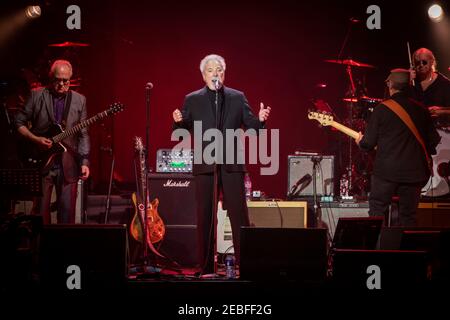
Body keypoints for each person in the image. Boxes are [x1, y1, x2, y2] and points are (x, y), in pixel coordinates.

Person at [172, 54, 271, 274]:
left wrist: (261, 120)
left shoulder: (237, 97)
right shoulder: (193, 99)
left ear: (224, 74)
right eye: (210, 70)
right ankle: (206, 266)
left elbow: (252, 127)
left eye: (219, 69)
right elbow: (180, 132)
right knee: (205, 215)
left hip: (232, 164)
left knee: (239, 215)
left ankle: (245, 265)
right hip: (205, 164)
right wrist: (178, 121)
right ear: (203, 75)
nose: (215, 73)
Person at [355, 69, 440, 226]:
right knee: (409, 216)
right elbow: (434, 141)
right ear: (408, 86)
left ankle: (377, 249)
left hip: (386, 172)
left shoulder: (382, 109)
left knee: (377, 211)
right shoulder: (422, 110)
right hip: (414, 173)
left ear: (390, 84)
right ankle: (407, 249)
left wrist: (360, 142)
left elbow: (368, 144)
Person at [15, 60, 90, 224]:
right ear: (51, 78)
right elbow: (18, 122)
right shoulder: (36, 95)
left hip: (68, 164)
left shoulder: (79, 100)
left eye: (66, 80)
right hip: (42, 163)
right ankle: (40, 249)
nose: (62, 84)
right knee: (40, 216)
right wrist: (35, 139)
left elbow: (83, 134)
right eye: (58, 80)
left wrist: (84, 161)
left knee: (67, 216)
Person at [412, 48, 450, 122]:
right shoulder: (411, 82)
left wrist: (441, 111)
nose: (421, 65)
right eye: (417, 63)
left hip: (439, 130)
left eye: (424, 62)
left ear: (432, 61)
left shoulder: (445, 84)